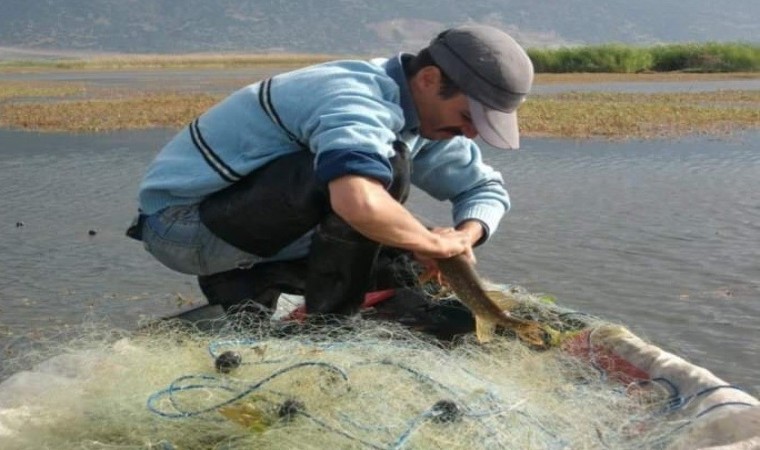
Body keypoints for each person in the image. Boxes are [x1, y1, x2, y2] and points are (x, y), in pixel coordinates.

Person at [126, 24, 534, 322]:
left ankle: (247, 285)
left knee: (400, 252)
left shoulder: (425, 120)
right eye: (467, 116)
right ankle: (329, 328)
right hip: (181, 227)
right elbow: (355, 200)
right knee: (378, 179)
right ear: (429, 80)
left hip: (248, 224)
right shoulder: (355, 97)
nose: (471, 133)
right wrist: (431, 241)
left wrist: (462, 236)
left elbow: (484, 188)